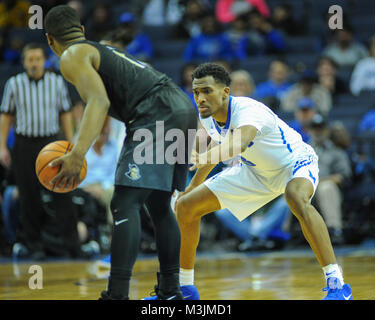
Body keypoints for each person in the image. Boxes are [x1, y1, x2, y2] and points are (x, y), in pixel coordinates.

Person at [146, 62, 352, 300]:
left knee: (295, 197)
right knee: (186, 207)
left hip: (294, 164)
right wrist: (190, 188)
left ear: (225, 92)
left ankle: (337, 284)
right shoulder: (209, 118)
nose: (199, 98)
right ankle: (184, 289)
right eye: (195, 92)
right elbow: (215, 151)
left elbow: (237, 144)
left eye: (206, 91)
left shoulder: (247, 109)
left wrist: (202, 155)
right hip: (256, 173)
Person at [43, 5, 196, 300]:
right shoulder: (98, 50)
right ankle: (170, 292)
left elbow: (97, 102)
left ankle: (117, 294)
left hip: (156, 112)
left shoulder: (71, 55)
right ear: (83, 31)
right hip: (181, 107)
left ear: (50, 40)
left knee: (125, 202)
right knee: (160, 206)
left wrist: (77, 154)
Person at [0, 42, 83, 260]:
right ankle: (34, 246)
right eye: (30, 59)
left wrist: (70, 143)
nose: (34, 63)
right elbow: (6, 117)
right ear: (24, 62)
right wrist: (1, 146)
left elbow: (65, 113)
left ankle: (73, 245)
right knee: (29, 197)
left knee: (63, 192)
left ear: (44, 61)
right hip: (24, 144)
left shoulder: (56, 82)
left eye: (38, 59)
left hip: (52, 143)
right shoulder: (13, 84)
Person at [309, 115, 352, 245]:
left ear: (327, 130)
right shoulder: (303, 149)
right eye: (315, 129)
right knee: (287, 190)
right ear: (310, 131)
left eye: (320, 128)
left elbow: (343, 175)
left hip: (328, 188)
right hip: (307, 187)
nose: (318, 132)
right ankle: (276, 233)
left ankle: (335, 230)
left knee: (326, 187)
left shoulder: (336, 151)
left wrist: (320, 181)